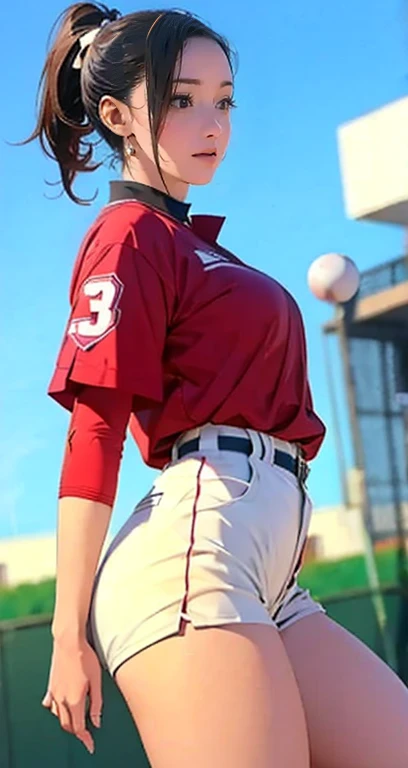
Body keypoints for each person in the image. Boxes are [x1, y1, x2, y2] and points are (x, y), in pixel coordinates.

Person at [25, 3, 408, 766]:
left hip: (264, 572)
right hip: (195, 556)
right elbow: (95, 430)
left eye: (224, 99)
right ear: (116, 116)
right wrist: (69, 635)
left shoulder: (197, 249)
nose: (212, 122)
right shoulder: (128, 237)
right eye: (181, 98)